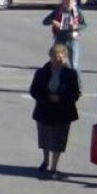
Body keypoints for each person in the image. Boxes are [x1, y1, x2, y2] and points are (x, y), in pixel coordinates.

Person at [28, 43, 81, 179]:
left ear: (65, 58)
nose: (58, 60)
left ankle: (54, 166)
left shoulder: (71, 74)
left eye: (61, 57)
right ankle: (45, 161)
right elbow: (34, 90)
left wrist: (60, 98)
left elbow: (75, 94)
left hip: (62, 111)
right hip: (44, 109)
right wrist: (47, 97)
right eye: (55, 57)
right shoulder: (42, 72)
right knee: (44, 138)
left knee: (58, 140)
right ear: (50, 57)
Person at [42, 0, 87, 71]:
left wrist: (76, 26)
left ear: (74, 1)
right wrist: (54, 22)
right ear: (63, 1)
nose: (69, 1)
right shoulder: (58, 10)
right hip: (60, 39)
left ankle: (74, 81)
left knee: (73, 66)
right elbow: (45, 21)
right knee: (57, 64)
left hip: (72, 40)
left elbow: (84, 24)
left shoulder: (77, 11)